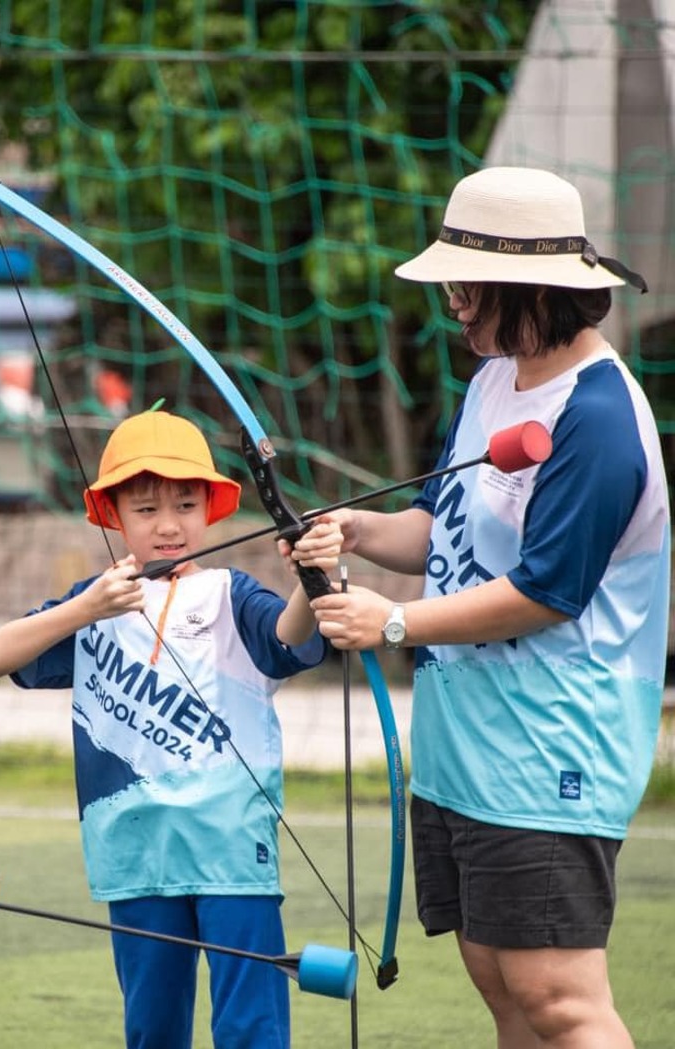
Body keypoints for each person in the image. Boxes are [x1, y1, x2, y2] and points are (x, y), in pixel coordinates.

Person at [305, 167, 671, 1048]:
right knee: (499, 979)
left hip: (552, 747)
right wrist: (357, 530)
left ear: (529, 289)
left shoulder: (601, 416)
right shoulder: (493, 382)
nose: (457, 306)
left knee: (557, 996)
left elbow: (545, 592)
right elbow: (444, 526)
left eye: (469, 288)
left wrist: (390, 621)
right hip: (467, 742)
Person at [0, 408, 342, 1049]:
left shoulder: (233, 592)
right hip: (135, 858)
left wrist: (310, 579)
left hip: (231, 853)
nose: (169, 525)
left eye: (184, 504)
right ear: (113, 515)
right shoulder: (98, 601)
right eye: (145, 510)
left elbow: (289, 639)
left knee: (252, 1028)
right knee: (152, 1031)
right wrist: (85, 607)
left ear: (211, 508)